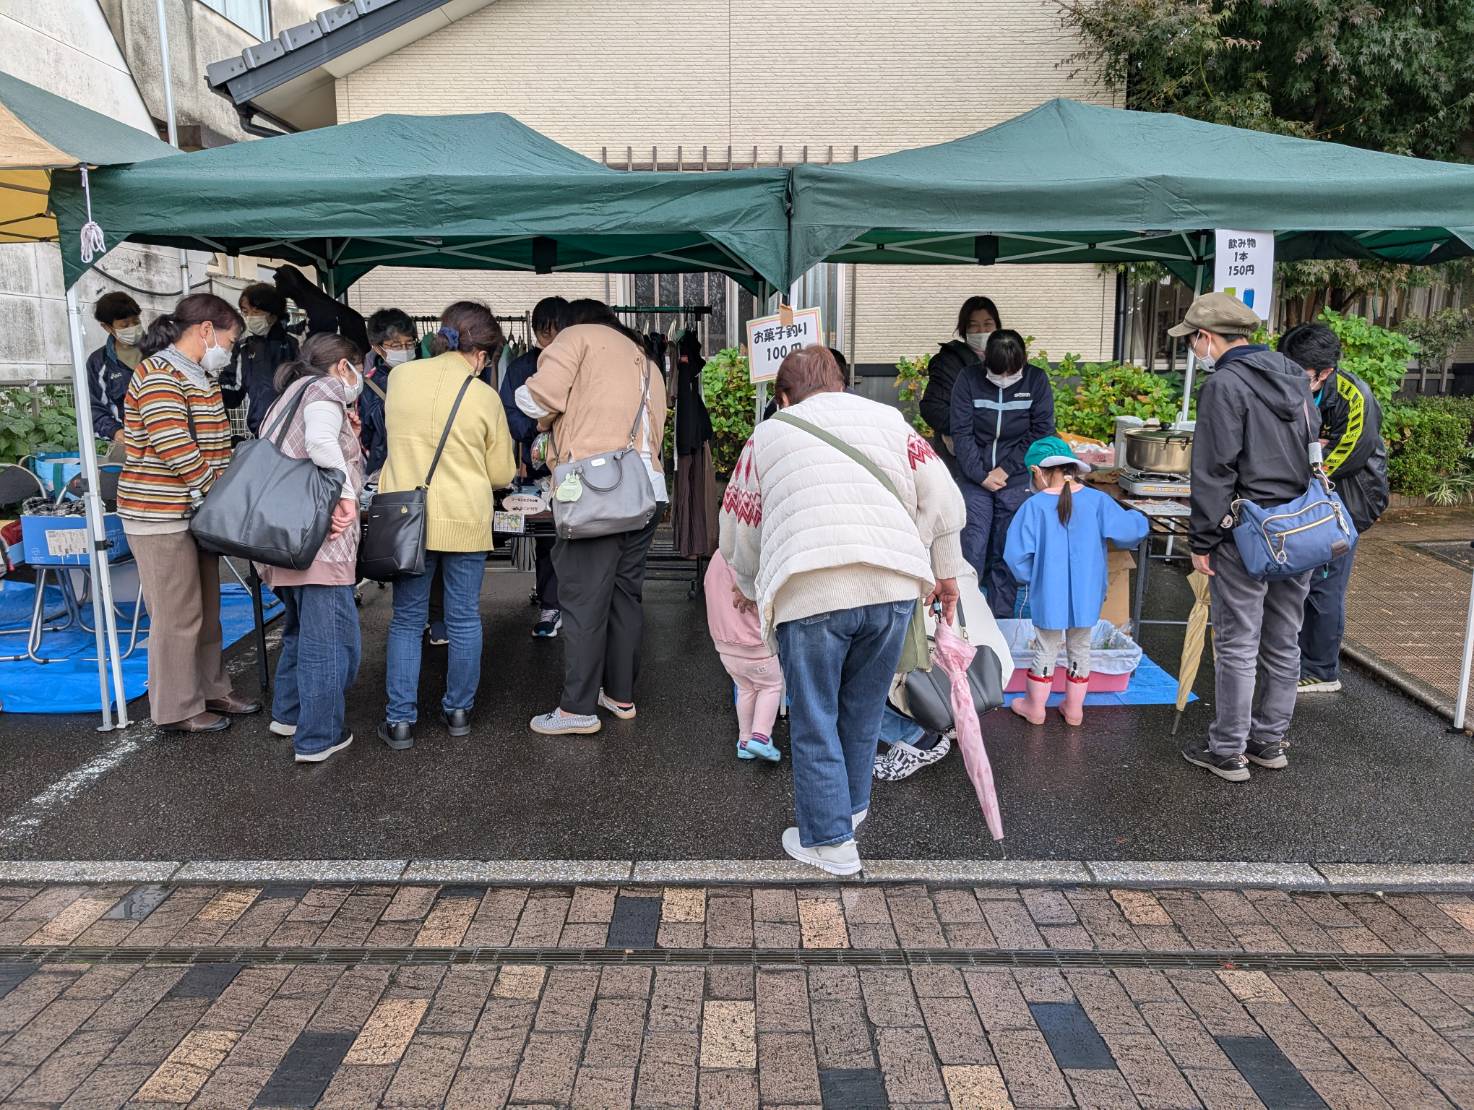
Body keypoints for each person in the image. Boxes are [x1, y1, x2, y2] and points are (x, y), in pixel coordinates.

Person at [721, 346, 967, 876]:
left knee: (815, 718)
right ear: (841, 384)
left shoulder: (768, 435)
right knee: (862, 709)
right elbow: (943, 500)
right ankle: (848, 815)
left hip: (809, 588)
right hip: (892, 587)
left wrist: (748, 583)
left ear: (784, 397)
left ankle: (832, 845)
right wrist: (944, 569)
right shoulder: (889, 421)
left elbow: (739, 527)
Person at [1176, 292, 1319, 782]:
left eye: (1193, 340)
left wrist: (1201, 541)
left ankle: (1228, 750)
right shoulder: (1294, 377)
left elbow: (1214, 470)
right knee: (1284, 639)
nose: (1195, 349)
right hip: (1299, 527)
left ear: (1207, 337)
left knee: (1237, 642)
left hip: (1246, 529)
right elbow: (1313, 443)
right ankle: (1269, 740)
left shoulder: (1225, 385)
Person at [518, 299, 670, 736]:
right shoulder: (646, 360)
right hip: (647, 491)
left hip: (599, 494)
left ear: (572, 323)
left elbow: (535, 399)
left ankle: (576, 709)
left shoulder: (577, 339)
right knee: (625, 596)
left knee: (584, 600)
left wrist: (526, 403)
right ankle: (620, 695)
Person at [117, 293, 261, 733]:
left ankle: (212, 688)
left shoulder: (200, 376)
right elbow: (174, 445)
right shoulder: (159, 374)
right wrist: (217, 494)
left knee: (207, 609)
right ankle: (177, 708)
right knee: (177, 615)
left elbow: (215, 445)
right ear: (205, 330)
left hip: (197, 512)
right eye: (230, 340)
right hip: (160, 515)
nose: (229, 349)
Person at [377, 302, 516, 751]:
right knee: (462, 619)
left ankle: (400, 721)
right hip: (465, 519)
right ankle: (458, 711)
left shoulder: (400, 378)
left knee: (406, 621)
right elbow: (501, 474)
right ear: (482, 352)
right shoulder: (484, 397)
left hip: (407, 522)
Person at [257, 334, 365, 764]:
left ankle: (289, 715)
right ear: (343, 366)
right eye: (360, 368)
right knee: (332, 641)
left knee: (300, 632)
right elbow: (320, 445)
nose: (362, 377)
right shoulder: (323, 389)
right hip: (319, 543)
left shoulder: (288, 395)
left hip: (283, 538)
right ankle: (319, 736)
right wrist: (347, 496)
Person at [1003, 437, 1148, 727]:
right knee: (1080, 646)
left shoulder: (1033, 507)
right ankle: (1074, 709)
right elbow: (1130, 532)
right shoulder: (1097, 501)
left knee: (1046, 646)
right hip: (1088, 593)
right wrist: (1138, 515)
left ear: (1037, 470)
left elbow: (1016, 557)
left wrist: (1033, 577)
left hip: (1048, 593)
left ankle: (1035, 707)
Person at [1279, 322, 1389, 695]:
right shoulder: (1299, 383)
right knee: (1304, 580)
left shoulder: (1353, 395)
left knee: (1326, 583)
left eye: (1301, 374)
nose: (1292, 379)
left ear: (1325, 372)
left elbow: (1348, 454)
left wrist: (1316, 452)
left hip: (1351, 499)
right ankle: (1297, 659)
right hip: (1316, 496)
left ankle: (1321, 669)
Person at [950, 329, 1055, 617]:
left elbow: (1041, 431)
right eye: (998, 373)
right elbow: (962, 432)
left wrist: (1006, 468)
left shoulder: (1036, 381)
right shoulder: (968, 380)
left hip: (1017, 476)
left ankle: (1001, 620)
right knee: (972, 542)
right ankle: (965, 618)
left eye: (1012, 373)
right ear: (984, 360)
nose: (1005, 378)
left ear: (1024, 361)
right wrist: (981, 474)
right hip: (975, 477)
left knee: (1007, 548)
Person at [499, 296, 572, 638]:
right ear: (535, 333)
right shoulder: (520, 368)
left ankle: (569, 600)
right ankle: (551, 604)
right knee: (548, 537)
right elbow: (510, 417)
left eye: (558, 334)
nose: (551, 343)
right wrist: (539, 427)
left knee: (577, 533)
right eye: (545, 335)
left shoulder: (581, 364)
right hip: (539, 466)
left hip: (577, 463)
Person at [705, 549, 783, 762]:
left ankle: (745, 741)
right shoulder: (747, 562)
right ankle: (761, 737)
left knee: (746, 689)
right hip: (754, 644)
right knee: (771, 686)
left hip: (725, 646)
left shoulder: (716, 559)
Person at [919, 296, 1002, 473]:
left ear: (997, 327)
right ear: (964, 329)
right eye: (974, 325)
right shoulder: (947, 362)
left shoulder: (1009, 359)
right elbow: (932, 408)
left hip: (1004, 459)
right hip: (960, 459)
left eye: (988, 324)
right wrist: (975, 429)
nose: (982, 330)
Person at [224, 282, 299, 437]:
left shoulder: (295, 342)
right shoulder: (244, 347)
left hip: (296, 430)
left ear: (272, 313)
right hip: (260, 432)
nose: (250, 316)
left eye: (256, 311)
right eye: (246, 312)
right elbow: (232, 392)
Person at [360, 308, 419, 477]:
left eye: (409, 344)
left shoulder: (424, 375)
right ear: (377, 348)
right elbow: (365, 435)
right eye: (395, 346)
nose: (405, 350)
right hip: (387, 468)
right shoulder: (369, 386)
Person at [86, 292, 145, 453]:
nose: (132, 328)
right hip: (129, 447)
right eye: (124, 325)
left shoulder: (159, 350)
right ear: (107, 327)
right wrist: (115, 432)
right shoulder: (98, 362)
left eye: (136, 322)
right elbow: (94, 407)